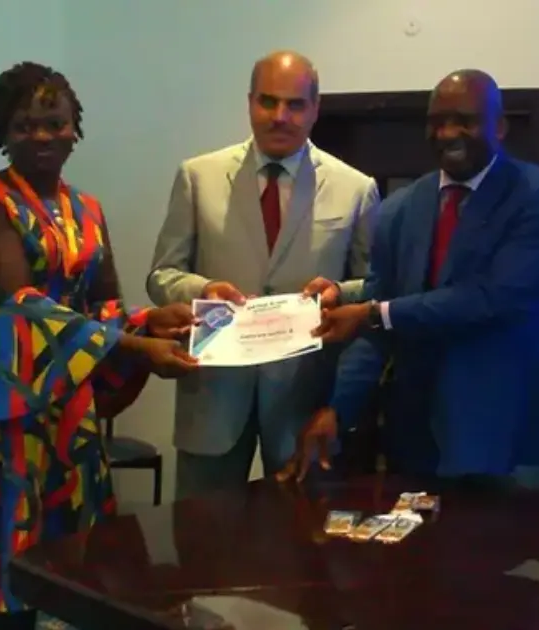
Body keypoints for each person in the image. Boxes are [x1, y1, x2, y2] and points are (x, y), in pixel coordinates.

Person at [0, 62, 199, 629]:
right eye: (24, 125)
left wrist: (151, 323)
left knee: (54, 561)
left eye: (55, 122)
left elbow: (103, 305)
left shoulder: (86, 209)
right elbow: (21, 304)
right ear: (2, 132)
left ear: (75, 128)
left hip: (57, 404)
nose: (42, 135)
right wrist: (134, 346)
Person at [282, 69, 539, 491]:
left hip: (510, 440)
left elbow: (494, 298)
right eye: (437, 121)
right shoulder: (400, 207)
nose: (448, 133)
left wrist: (373, 313)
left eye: (464, 120)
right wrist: (337, 409)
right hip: (418, 444)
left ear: (499, 126)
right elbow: (375, 324)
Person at [147, 51, 379, 499]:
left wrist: (337, 290)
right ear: (250, 102)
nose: (280, 116)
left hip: (304, 401)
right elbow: (162, 274)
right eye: (268, 102)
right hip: (212, 395)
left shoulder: (355, 187)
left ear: (315, 108)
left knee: (302, 536)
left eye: (295, 105)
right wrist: (203, 289)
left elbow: (376, 286)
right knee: (202, 534)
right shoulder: (198, 176)